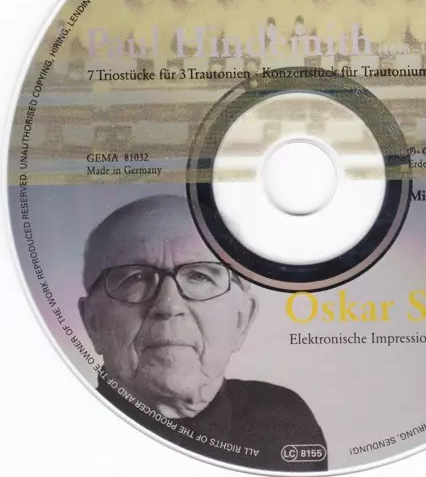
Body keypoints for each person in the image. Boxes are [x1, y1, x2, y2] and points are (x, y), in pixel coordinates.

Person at [78, 194, 327, 471]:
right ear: (93, 322)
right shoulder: (57, 433)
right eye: (134, 277)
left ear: (241, 320)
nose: (168, 306)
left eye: (200, 276)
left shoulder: (285, 422)